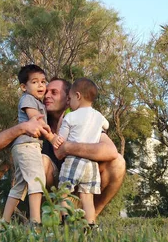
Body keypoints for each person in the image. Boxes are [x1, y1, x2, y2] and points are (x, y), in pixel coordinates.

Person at [0, 78, 125, 218]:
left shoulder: (81, 122)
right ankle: (51, 216)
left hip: (79, 187)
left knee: (118, 163)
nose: (47, 96)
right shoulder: (36, 122)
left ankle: (90, 217)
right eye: (46, 92)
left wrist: (67, 147)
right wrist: (22, 127)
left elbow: (111, 151)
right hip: (54, 189)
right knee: (42, 160)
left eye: (54, 92)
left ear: (68, 98)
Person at [1, 65, 63, 225]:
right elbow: (37, 121)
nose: (41, 85)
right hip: (27, 145)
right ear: (23, 87)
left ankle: (3, 222)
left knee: (20, 185)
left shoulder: (36, 101)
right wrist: (52, 138)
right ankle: (35, 222)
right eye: (35, 82)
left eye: (43, 81)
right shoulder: (28, 99)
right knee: (37, 181)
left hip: (26, 146)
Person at [57, 78, 108, 226]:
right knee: (87, 196)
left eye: (70, 98)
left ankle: (65, 219)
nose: (69, 102)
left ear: (78, 96)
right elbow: (107, 125)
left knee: (63, 192)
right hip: (91, 163)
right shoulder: (98, 116)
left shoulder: (70, 116)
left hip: (74, 160)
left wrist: (61, 123)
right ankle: (91, 224)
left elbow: (61, 139)